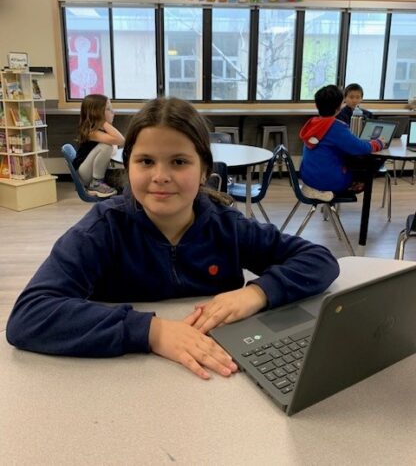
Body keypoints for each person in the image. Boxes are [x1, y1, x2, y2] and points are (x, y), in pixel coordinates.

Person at [6, 97, 339, 381]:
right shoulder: (103, 229)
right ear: (128, 166)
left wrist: (258, 293)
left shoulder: (226, 226)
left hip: (215, 378)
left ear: (204, 170)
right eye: (146, 161)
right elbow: (29, 316)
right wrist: (153, 331)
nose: (160, 177)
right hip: (123, 381)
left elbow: (319, 261)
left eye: (179, 162)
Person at [299, 85, 384, 201]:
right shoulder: (335, 127)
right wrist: (378, 143)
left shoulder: (312, 123)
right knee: (372, 164)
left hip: (308, 177)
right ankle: (344, 189)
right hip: (328, 182)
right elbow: (360, 147)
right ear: (338, 108)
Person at [73, 93, 125, 197]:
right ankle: (96, 183)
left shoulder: (101, 131)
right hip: (85, 173)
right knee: (106, 146)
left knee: (122, 181)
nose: (113, 112)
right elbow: (120, 140)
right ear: (97, 113)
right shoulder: (92, 132)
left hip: (89, 170)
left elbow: (117, 144)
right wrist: (103, 122)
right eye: (108, 109)